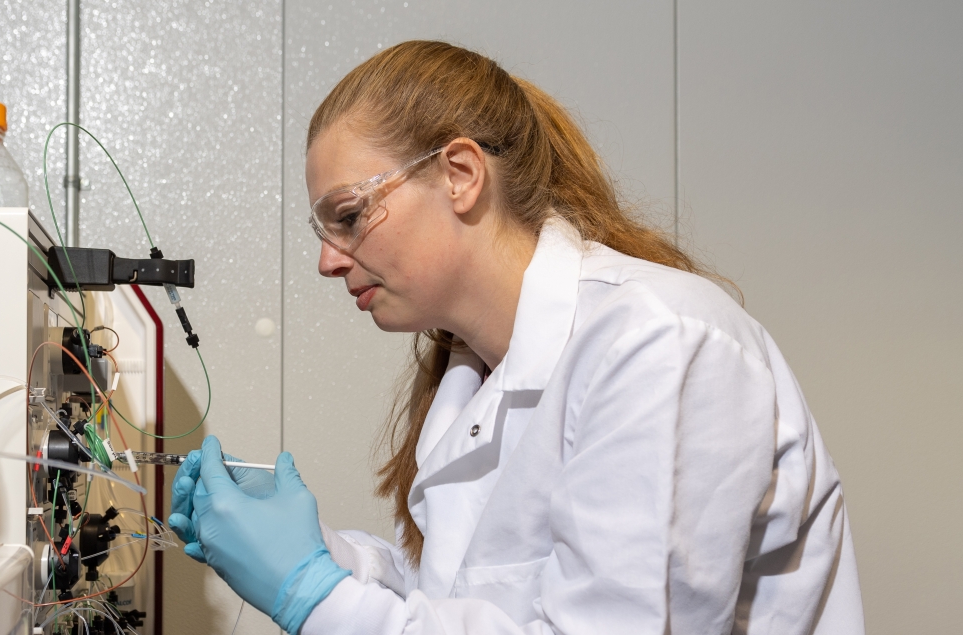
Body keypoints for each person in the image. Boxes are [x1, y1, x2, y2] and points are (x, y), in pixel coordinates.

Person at [168, 40, 864, 635]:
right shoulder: (470, 380)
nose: (329, 260)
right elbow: (469, 602)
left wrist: (313, 592)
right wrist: (317, 553)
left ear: (461, 175)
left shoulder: (658, 341)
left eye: (349, 215)